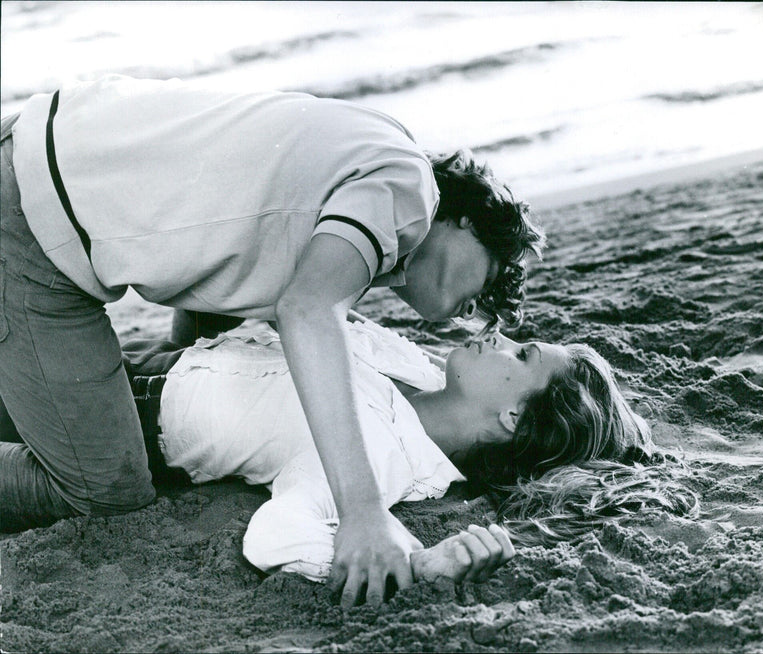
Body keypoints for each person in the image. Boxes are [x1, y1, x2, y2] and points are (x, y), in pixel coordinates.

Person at [0, 74, 543, 606]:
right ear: (467, 221)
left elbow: (233, 234)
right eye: (489, 282)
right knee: (105, 492)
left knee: (69, 413)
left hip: (44, 146)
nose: (478, 313)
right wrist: (363, 511)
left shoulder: (380, 152)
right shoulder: (407, 193)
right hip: (33, 220)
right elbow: (308, 310)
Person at [104, 316, 695, 593]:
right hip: (162, 351)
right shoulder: (418, 366)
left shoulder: (378, 459)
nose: (500, 335)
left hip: (126, 414)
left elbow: (273, 536)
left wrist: (412, 566)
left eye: (521, 356)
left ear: (513, 417)